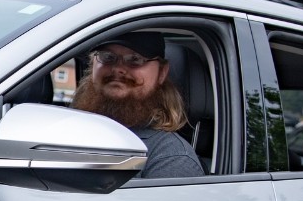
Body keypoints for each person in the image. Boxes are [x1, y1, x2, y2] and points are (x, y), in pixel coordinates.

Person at [70, 30, 204, 179]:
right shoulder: (65, 131)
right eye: (107, 57)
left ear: (162, 72)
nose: (118, 69)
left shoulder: (171, 158)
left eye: (135, 59)